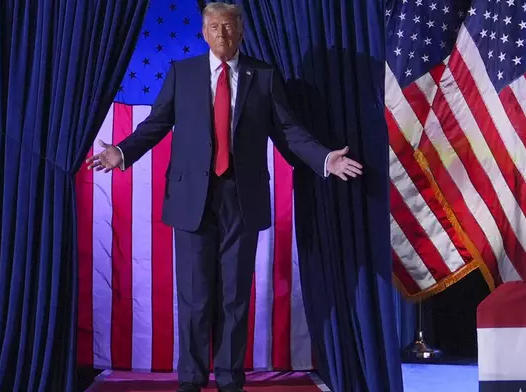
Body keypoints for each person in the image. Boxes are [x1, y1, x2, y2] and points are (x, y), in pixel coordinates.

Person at [87, 3, 363, 391]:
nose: (221, 34)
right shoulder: (182, 74)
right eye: (214, 27)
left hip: (241, 198)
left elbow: (288, 131)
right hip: (191, 199)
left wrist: (324, 158)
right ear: (203, 32)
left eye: (228, 27)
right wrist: (122, 151)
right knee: (196, 298)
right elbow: (156, 123)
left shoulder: (263, 77)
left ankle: (230, 380)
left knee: (234, 297)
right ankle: (192, 380)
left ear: (241, 31)